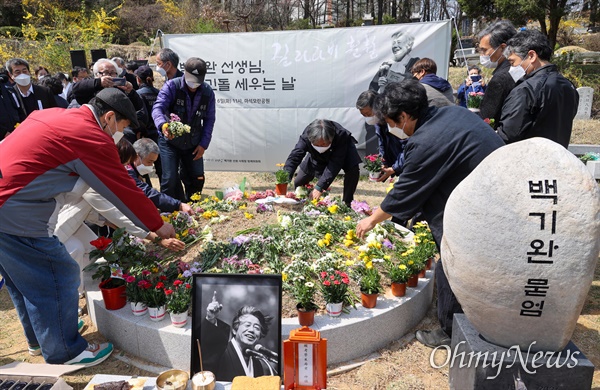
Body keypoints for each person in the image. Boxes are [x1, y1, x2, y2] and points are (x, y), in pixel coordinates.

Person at [0, 88, 178, 367]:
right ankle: (66, 351)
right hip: (15, 211)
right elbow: (122, 189)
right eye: (122, 126)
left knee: (23, 279)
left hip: (8, 203)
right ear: (108, 117)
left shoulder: (54, 116)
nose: (120, 134)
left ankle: (39, 338)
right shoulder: (90, 136)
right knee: (57, 272)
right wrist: (156, 225)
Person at [355, 80, 504, 348]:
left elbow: (405, 192)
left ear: (404, 116)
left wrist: (371, 219)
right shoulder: (452, 112)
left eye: (391, 122)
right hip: (495, 191)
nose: (391, 129)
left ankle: (450, 329)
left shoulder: (424, 141)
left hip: (482, 205)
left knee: (450, 254)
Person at [496, 29, 579, 149]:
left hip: (529, 159)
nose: (512, 68)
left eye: (513, 62)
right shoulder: (568, 85)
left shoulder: (526, 90)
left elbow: (508, 135)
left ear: (532, 56)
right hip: (559, 158)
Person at [152, 57, 216, 201]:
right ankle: (168, 210)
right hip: (170, 141)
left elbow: (209, 120)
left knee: (197, 176)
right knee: (169, 178)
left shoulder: (207, 92)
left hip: (194, 142)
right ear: (184, 73)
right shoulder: (171, 86)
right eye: (191, 80)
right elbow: (158, 108)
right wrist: (163, 125)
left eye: (197, 81)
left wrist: (203, 144)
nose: (193, 85)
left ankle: (194, 206)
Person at [284, 119, 361, 205]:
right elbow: (295, 156)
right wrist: (285, 177)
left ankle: (347, 202)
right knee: (299, 181)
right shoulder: (306, 135)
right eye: (317, 144)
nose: (320, 147)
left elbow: (335, 164)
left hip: (343, 151)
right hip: (315, 155)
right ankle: (304, 200)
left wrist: (320, 187)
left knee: (352, 169)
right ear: (310, 139)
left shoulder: (340, 136)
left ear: (331, 139)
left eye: (324, 144)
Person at [202, 296, 277, 382]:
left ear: (259, 335)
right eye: (247, 325)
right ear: (234, 329)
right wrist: (210, 319)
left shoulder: (257, 363)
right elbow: (207, 354)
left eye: (256, 327)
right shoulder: (221, 351)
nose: (251, 330)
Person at [130, 138, 194, 214]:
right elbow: (148, 192)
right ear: (137, 157)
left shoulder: (133, 170)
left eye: (153, 162)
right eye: (149, 162)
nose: (151, 166)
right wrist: (178, 205)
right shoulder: (128, 171)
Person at [356, 90, 407, 182]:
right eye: (364, 115)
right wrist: (384, 163)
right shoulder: (379, 122)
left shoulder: (396, 121)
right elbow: (382, 143)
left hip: (409, 165)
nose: (367, 118)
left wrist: (395, 168)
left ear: (378, 107)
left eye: (368, 114)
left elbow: (407, 147)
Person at [476, 20, 518, 125]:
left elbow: (486, 118)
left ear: (503, 48)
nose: (482, 54)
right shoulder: (519, 69)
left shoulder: (500, 79)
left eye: (484, 50)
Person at [135, 65, 162, 183]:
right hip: (160, 134)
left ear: (138, 79)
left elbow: (140, 116)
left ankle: (148, 192)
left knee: (143, 167)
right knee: (163, 169)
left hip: (145, 136)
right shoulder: (159, 93)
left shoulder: (137, 94)